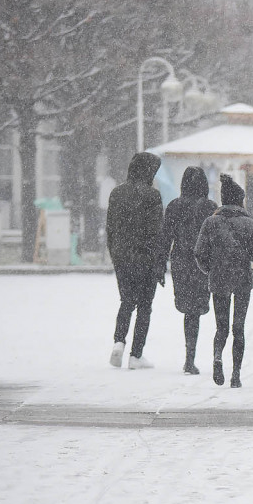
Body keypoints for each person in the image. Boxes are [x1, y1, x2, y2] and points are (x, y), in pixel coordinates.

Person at [195, 175, 253, 388]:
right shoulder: (250, 224)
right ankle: (236, 374)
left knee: (222, 327)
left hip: (219, 279)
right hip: (242, 279)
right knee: (239, 327)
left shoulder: (211, 222)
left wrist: (210, 269)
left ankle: (217, 356)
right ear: (240, 200)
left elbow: (199, 252)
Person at [107, 152, 166, 370]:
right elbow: (156, 232)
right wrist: (159, 263)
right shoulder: (152, 196)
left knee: (126, 301)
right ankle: (136, 355)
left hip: (122, 256)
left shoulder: (116, 193)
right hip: (145, 258)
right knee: (144, 306)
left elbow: (110, 229)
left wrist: (115, 254)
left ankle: (119, 342)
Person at [162, 166, 217, 375]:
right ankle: (191, 357)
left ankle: (189, 356)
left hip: (181, 262)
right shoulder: (210, 207)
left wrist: (160, 265)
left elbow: (165, 237)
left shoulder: (174, 206)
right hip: (202, 263)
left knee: (188, 310)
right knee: (197, 309)